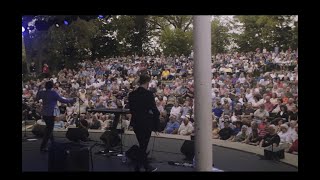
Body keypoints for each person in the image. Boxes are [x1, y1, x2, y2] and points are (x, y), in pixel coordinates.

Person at [128, 74, 160, 172]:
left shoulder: (132, 94)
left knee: (142, 144)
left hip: (136, 123)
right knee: (143, 145)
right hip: (146, 123)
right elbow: (155, 110)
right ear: (147, 82)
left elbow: (132, 110)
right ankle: (144, 167)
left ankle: (140, 167)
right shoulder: (149, 94)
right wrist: (156, 125)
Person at [36, 81, 76, 152]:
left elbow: (37, 97)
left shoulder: (43, 92)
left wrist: (39, 89)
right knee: (49, 130)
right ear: (52, 86)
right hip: (50, 113)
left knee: (49, 128)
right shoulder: (53, 93)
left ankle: (53, 142)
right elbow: (62, 100)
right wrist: (71, 100)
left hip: (44, 113)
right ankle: (43, 147)